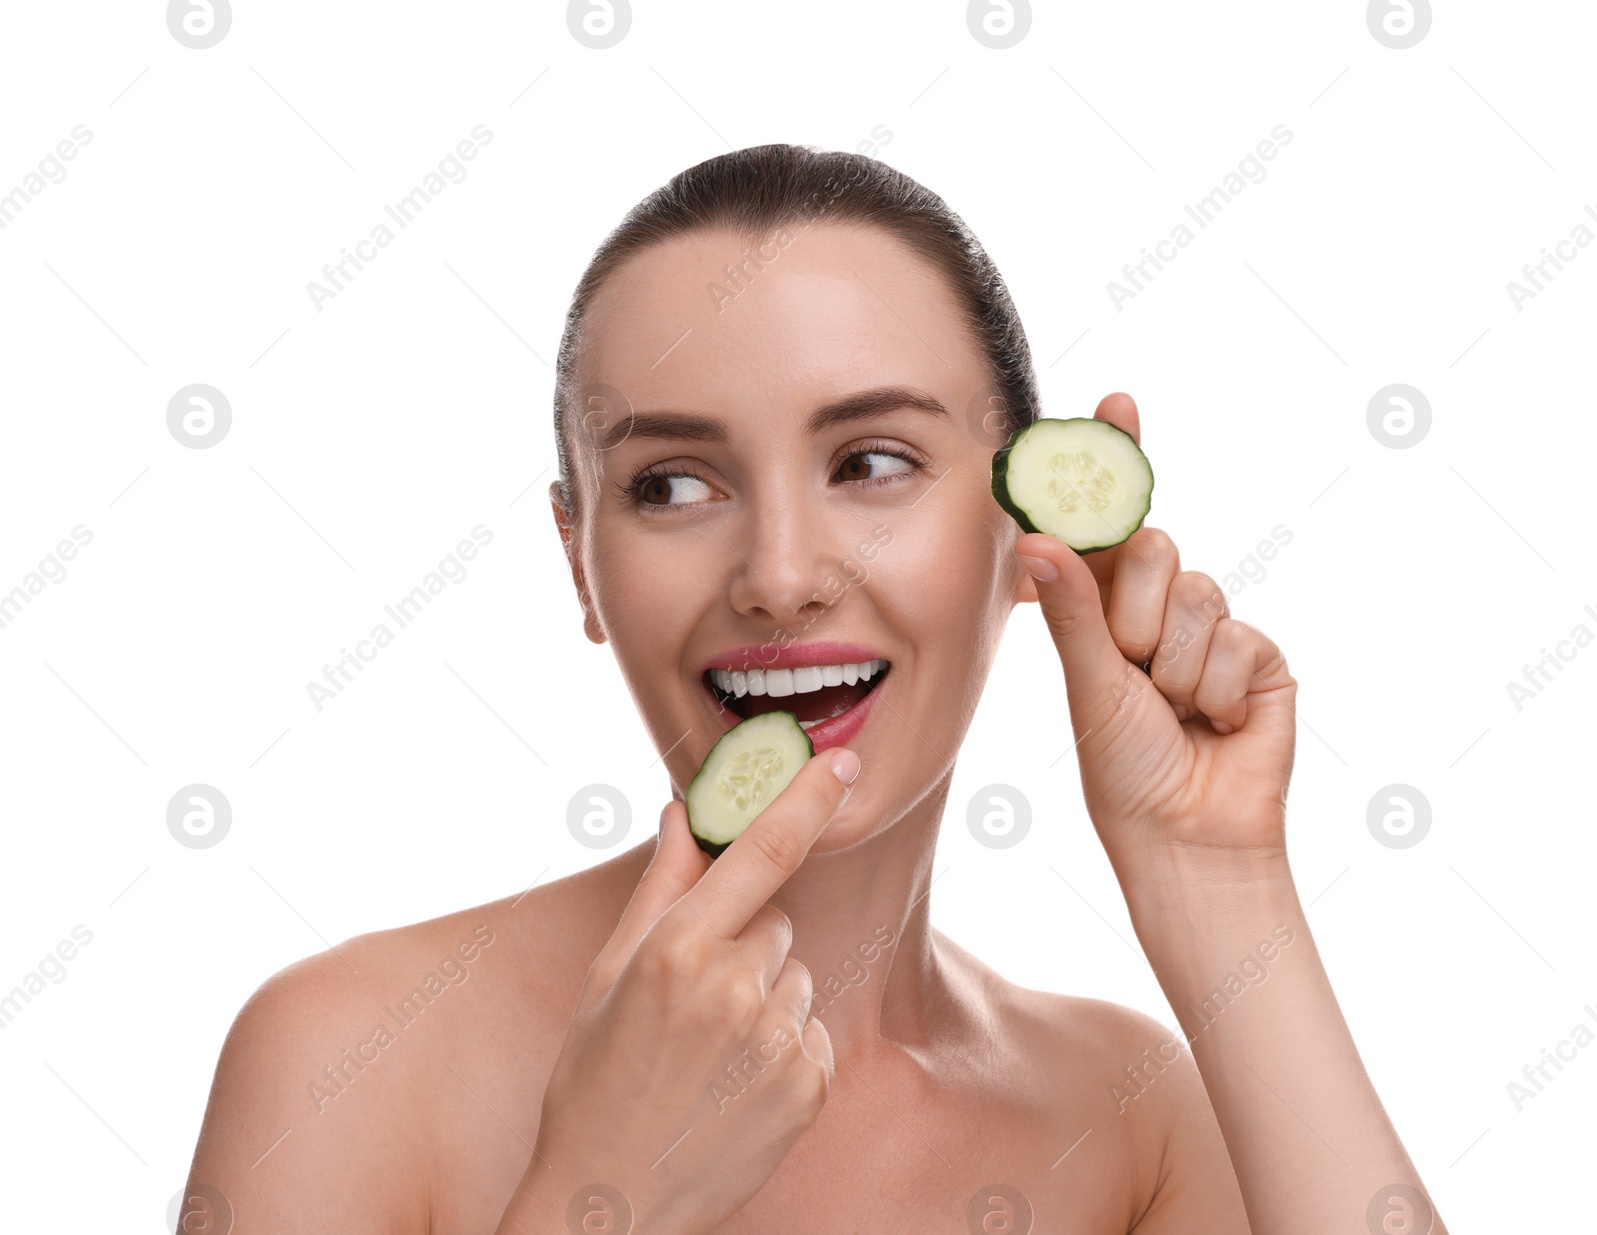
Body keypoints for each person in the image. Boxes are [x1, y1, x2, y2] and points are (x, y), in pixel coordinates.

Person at [181, 144, 1445, 1234]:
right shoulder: (344, 1060)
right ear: (579, 562)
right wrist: (601, 1187)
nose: (779, 578)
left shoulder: (1128, 1118)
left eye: (873, 461)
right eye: (672, 484)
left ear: (1023, 526)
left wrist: (1216, 881)